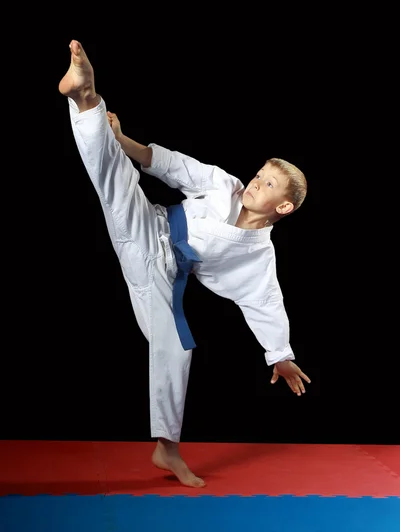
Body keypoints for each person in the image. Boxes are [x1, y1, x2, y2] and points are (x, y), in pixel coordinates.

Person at [59, 40, 311, 488]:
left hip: (162, 273)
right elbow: (176, 167)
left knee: (177, 350)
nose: (255, 183)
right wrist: (122, 140)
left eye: (268, 183)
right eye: (258, 174)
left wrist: (281, 355)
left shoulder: (259, 254)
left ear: (284, 207)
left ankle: (166, 449)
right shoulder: (225, 186)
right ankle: (85, 97)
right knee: (114, 177)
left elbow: (265, 302)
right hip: (148, 226)